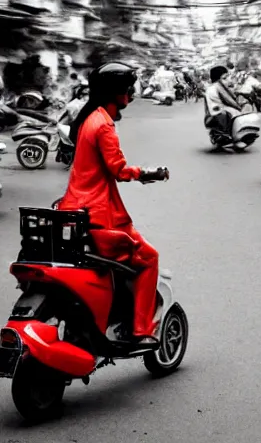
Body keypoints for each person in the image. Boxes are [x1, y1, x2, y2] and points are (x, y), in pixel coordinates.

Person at [58, 62, 169, 346]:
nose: (131, 93)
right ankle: (142, 330)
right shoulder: (104, 125)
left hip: (73, 209)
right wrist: (148, 173)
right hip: (99, 215)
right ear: (117, 92)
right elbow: (118, 169)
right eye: (128, 88)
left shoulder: (87, 119)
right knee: (150, 258)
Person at [204, 65, 241, 134]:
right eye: (224, 78)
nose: (228, 80)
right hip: (218, 114)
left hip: (218, 112)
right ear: (217, 79)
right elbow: (230, 101)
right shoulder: (216, 88)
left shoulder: (215, 87)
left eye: (227, 77)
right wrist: (239, 107)